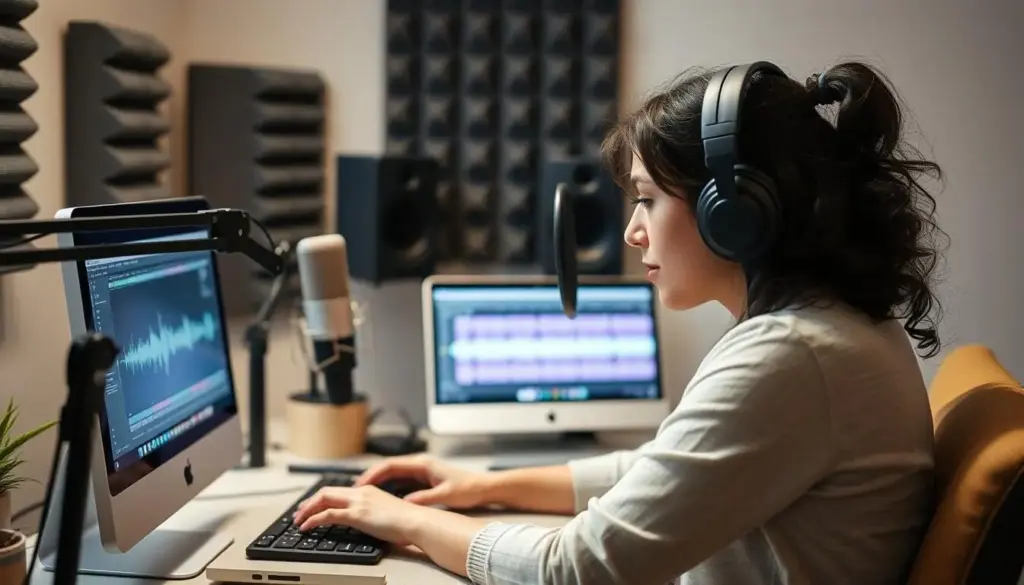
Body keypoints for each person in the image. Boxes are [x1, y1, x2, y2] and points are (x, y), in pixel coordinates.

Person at [292, 60, 947, 585]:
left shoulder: (794, 355)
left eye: (648, 198)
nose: (634, 230)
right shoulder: (834, 328)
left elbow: (575, 568)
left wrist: (404, 521)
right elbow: (665, 470)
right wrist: (482, 485)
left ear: (735, 210)